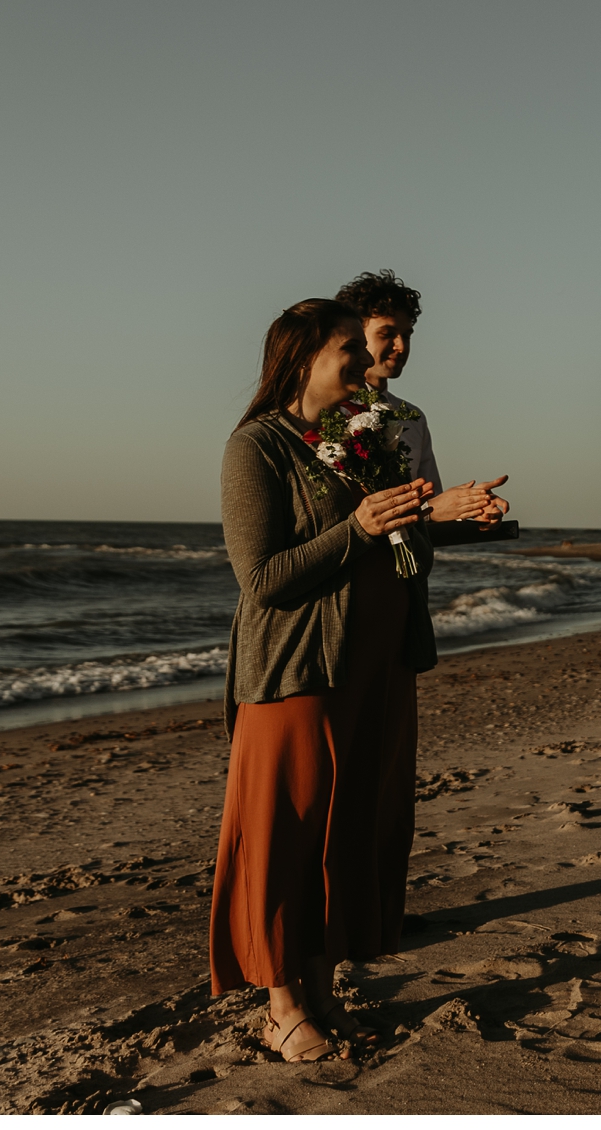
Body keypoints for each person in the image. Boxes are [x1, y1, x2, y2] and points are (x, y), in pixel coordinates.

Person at [209, 297, 502, 1063]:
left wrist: (439, 517)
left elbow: (397, 537)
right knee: (288, 836)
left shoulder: (355, 437)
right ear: (301, 357)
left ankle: (324, 989)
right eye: (351, 351)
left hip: (375, 664)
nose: (369, 366)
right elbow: (263, 579)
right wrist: (362, 528)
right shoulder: (256, 447)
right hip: (298, 670)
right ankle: (279, 1006)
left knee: (350, 835)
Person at [336, 269, 510, 530]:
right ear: (354, 336)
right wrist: (431, 511)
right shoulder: (327, 413)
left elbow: (433, 511)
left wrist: (469, 510)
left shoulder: (413, 418)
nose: (401, 346)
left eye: (406, 335)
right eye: (387, 334)